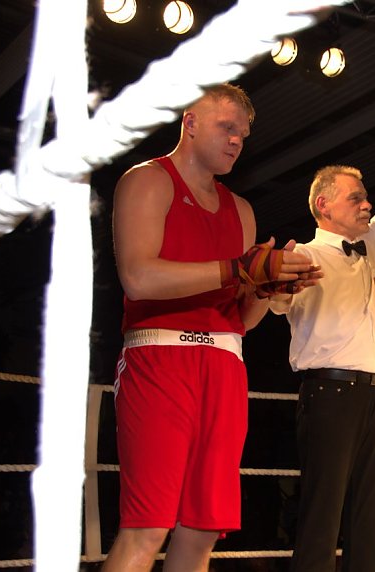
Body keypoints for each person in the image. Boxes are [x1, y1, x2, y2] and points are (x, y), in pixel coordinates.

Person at [104, 84, 318, 572]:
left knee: (201, 532)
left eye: (243, 134)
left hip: (224, 364)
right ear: (191, 122)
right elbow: (138, 278)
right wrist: (238, 269)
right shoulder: (148, 179)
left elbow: (241, 319)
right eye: (227, 127)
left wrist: (267, 289)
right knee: (146, 528)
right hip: (160, 358)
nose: (236, 140)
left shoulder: (241, 209)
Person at [269, 127, 375, 572]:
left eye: (366, 197)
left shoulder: (372, 246)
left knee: (371, 517)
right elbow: (274, 300)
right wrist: (276, 283)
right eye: (355, 197)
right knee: (322, 515)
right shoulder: (302, 256)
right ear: (324, 204)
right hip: (329, 394)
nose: (366, 204)